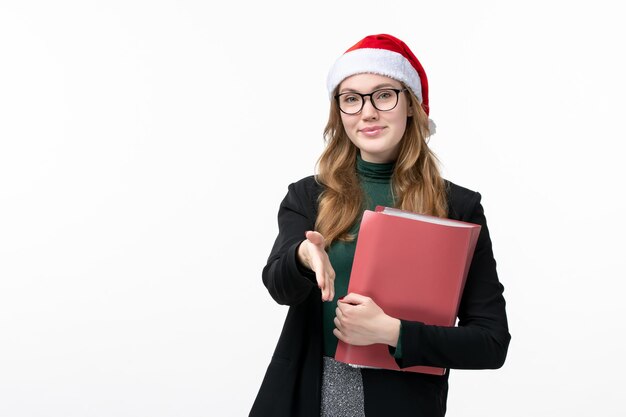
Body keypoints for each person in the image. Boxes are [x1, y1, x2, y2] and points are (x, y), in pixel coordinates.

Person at [249, 34, 510, 417]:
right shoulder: (308, 196)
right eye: (351, 99)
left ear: (411, 105)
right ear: (339, 112)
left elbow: (490, 343)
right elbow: (278, 286)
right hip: (306, 397)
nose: (367, 112)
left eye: (384, 95)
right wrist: (303, 256)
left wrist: (393, 332)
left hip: (402, 404)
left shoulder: (458, 207)